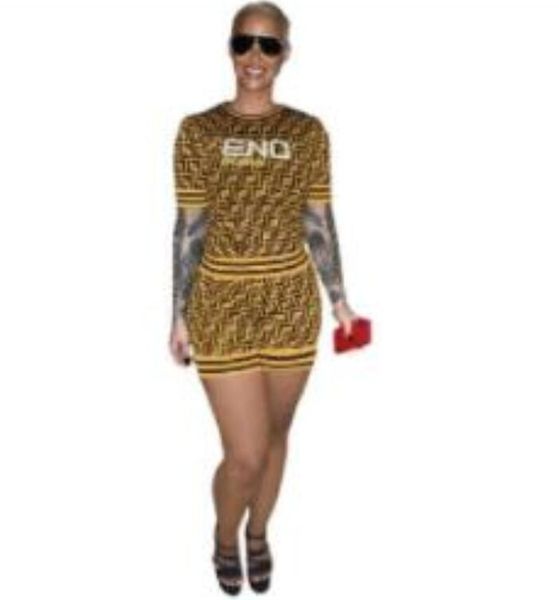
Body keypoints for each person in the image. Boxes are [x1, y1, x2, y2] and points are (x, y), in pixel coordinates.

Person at [169, 1, 362, 594]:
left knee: (277, 437)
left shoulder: (307, 131)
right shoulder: (198, 130)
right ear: (230, 48)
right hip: (221, 302)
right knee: (246, 454)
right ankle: (226, 536)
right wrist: (178, 313)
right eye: (244, 42)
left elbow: (317, 219)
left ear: (285, 55)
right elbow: (190, 225)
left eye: (269, 45)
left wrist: (339, 300)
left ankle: (259, 532)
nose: (255, 56)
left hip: (289, 303)